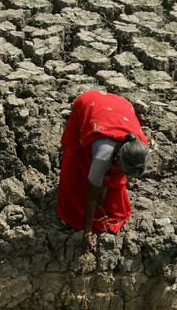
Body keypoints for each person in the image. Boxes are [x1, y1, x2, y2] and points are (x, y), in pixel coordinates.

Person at [55, 90, 150, 254]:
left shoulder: (139, 146)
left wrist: (105, 188)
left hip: (119, 107)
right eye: (121, 169)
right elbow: (91, 199)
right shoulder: (102, 156)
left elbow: (116, 175)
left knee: (106, 188)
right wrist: (88, 233)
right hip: (87, 105)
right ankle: (66, 213)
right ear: (118, 158)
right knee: (75, 172)